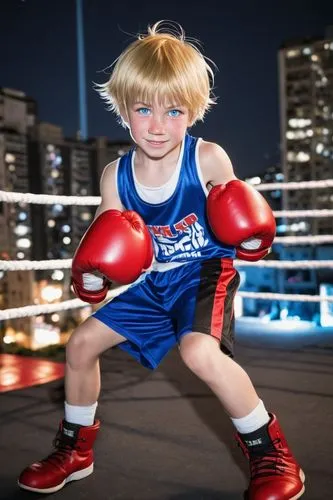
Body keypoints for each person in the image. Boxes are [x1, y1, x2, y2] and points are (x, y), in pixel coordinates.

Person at [18, 21, 305, 499]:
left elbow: (243, 223)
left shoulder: (208, 158)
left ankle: (270, 454)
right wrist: (92, 275)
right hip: (154, 283)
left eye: (173, 111)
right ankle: (75, 451)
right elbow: (106, 240)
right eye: (144, 109)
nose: (156, 125)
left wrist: (251, 240)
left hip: (204, 273)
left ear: (192, 111)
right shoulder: (116, 175)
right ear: (123, 109)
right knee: (81, 344)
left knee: (199, 352)